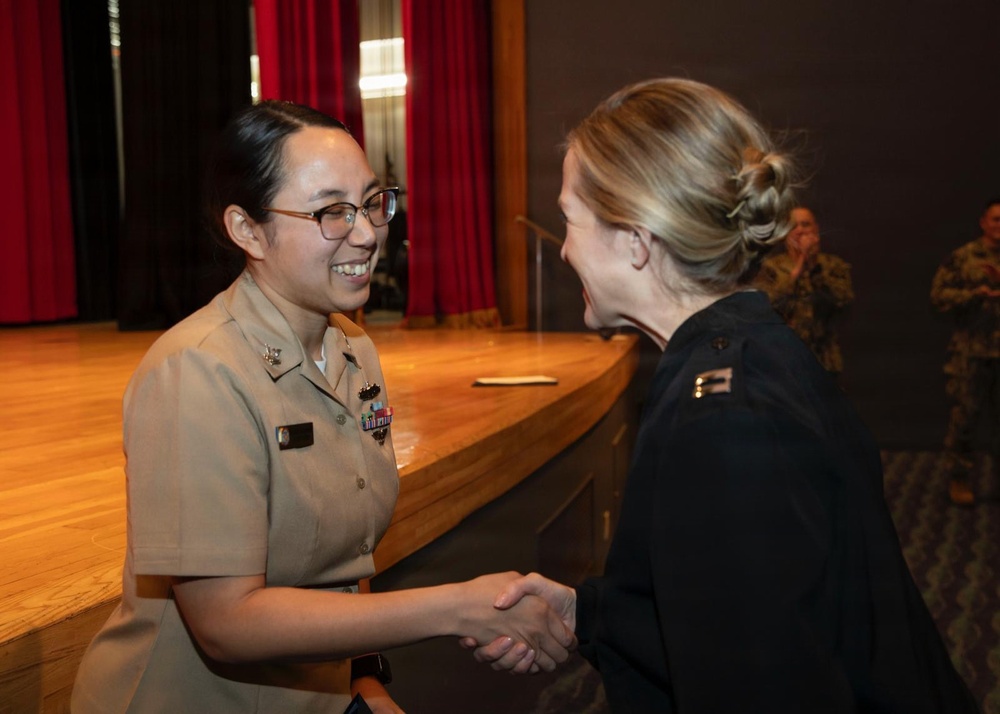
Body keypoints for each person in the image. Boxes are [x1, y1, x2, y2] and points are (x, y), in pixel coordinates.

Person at [469, 79, 979, 712]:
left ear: (635, 239)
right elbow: (735, 611)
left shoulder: (724, 422)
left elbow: (764, 686)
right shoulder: (751, 351)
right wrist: (588, 614)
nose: (565, 246)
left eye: (569, 218)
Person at [70, 100, 574, 714]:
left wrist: (364, 683)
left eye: (370, 203)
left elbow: (346, 557)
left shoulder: (353, 349)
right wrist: (454, 607)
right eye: (331, 211)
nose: (366, 232)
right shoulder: (196, 372)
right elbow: (225, 623)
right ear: (247, 230)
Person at [930, 198, 1000, 506]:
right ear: (984, 222)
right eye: (996, 219)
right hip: (972, 351)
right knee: (966, 419)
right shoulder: (964, 258)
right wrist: (974, 295)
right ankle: (959, 479)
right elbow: (939, 296)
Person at [756, 206, 854, 376]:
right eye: (794, 226)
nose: (800, 230)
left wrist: (814, 268)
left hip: (825, 362)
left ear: (816, 229)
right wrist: (800, 265)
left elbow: (842, 302)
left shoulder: (832, 265)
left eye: (805, 224)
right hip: (785, 361)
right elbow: (770, 307)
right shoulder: (771, 268)